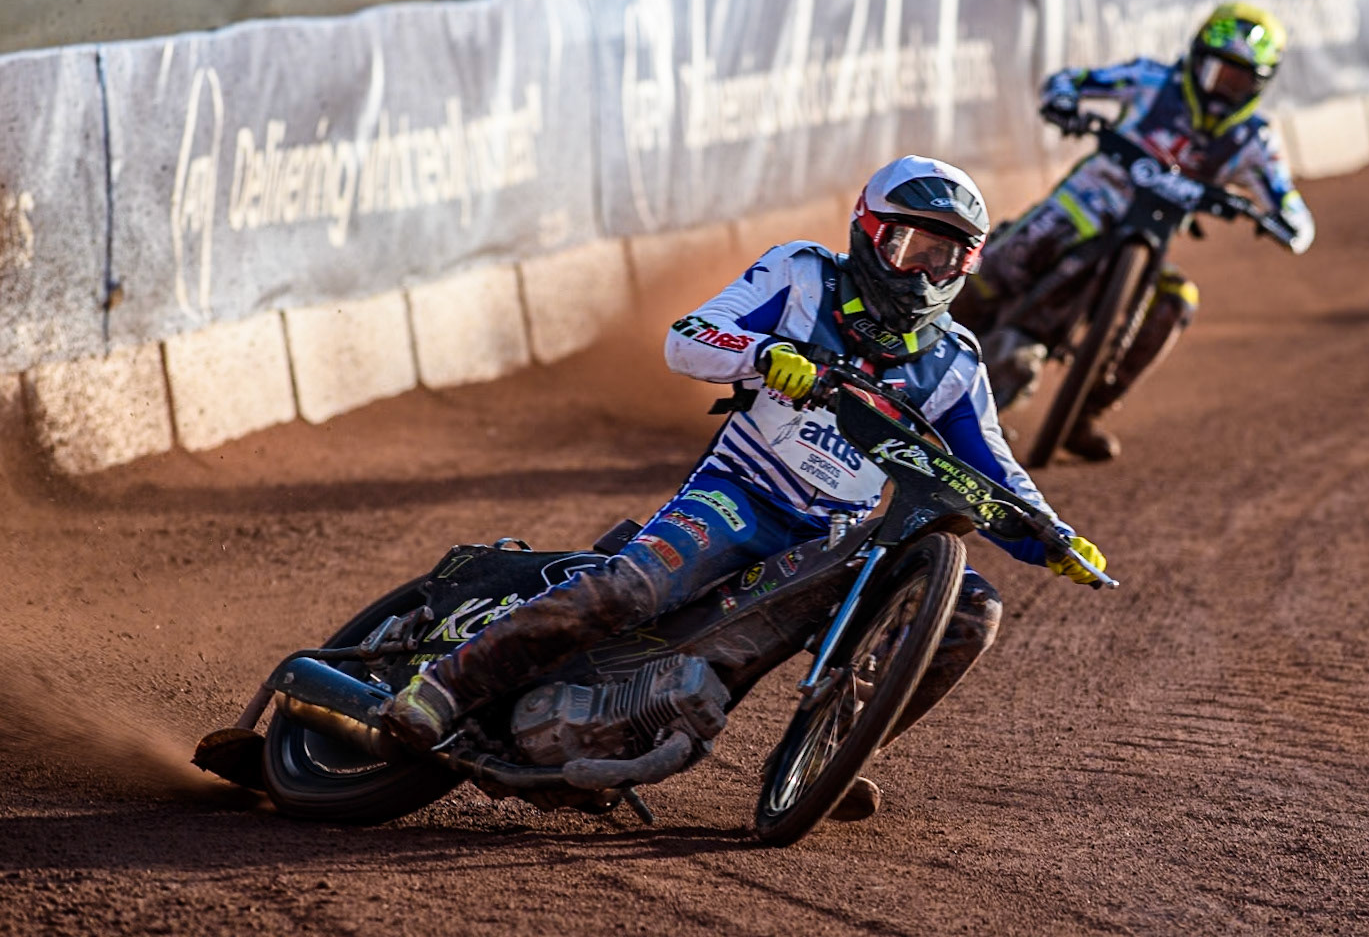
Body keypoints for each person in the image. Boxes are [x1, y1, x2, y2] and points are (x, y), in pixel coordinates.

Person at [383, 155, 1107, 821]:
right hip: (738, 494)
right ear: (867, 233)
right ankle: (446, 686)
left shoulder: (954, 358)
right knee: (632, 589)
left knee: (969, 610)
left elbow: (990, 464)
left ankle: (836, 749)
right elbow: (688, 337)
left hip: (835, 542)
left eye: (943, 256)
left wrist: (1053, 535)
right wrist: (764, 355)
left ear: (966, 264)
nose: (920, 272)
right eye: (906, 248)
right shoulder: (803, 275)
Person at [958, 1, 1316, 461]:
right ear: (1195, 58)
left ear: (1259, 86)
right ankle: (919, 350)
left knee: (1177, 300)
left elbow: (1290, 207)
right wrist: (1065, 103)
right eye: (1218, 72)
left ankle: (1083, 414)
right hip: (1083, 204)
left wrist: (1283, 223)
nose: (1224, 89)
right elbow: (1068, 82)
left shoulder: (1253, 141)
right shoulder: (1149, 80)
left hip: (1151, 238)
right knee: (1007, 261)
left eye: (1240, 80)